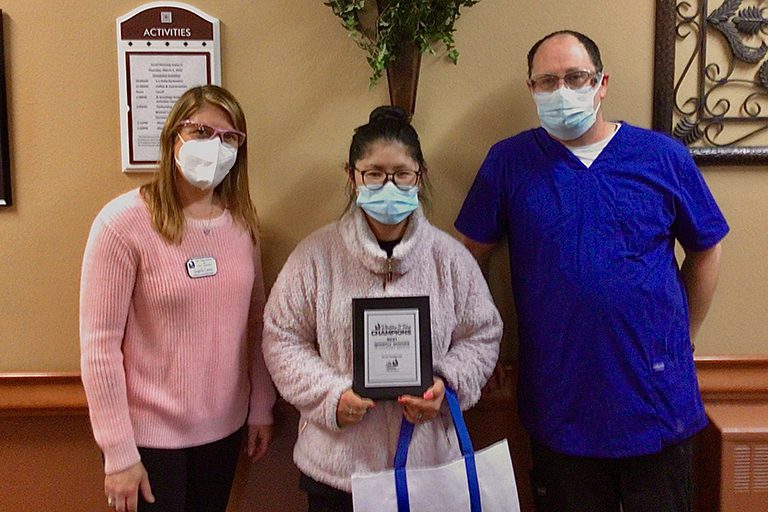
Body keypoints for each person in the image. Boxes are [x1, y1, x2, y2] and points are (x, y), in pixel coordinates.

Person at [454, 30, 729, 512]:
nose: (562, 90)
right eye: (547, 80)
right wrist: (479, 341)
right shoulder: (510, 162)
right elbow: (466, 255)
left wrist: (687, 333)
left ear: (602, 84)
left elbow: (707, 246)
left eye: (575, 77)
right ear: (532, 90)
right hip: (561, 401)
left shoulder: (662, 157)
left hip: (655, 395)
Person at [261, 106, 502, 512]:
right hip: (336, 473)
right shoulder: (316, 257)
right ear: (351, 176)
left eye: (401, 173)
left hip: (428, 469)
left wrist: (446, 384)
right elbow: (281, 338)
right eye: (373, 173)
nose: (388, 184)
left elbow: (482, 334)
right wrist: (330, 396)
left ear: (419, 176)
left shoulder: (449, 259)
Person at [80, 85, 276, 512]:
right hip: (148, 442)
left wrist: (261, 407)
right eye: (202, 131)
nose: (216, 146)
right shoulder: (122, 223)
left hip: (224, 432)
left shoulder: (243, 224)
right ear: (174, 138)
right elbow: (99, 347)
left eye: (229, 138)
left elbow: (256, 323)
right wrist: (117, 451)